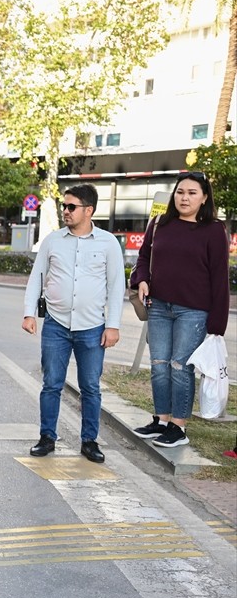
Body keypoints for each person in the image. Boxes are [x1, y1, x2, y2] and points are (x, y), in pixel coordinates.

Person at [22, 183, 125, 464]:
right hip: (55, 325)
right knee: (51, 384)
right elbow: (36, 279)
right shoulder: (53, 241)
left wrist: (113, 325)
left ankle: (89, 441)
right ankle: (47, 437)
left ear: (88, 210)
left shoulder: (108, 243)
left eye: (71, 207)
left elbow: (116, 287)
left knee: (90, 386)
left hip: (93, 327)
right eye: (63, 206)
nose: (65, 211)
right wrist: (29, 313)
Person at [129, 171, 230, 448]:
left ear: (204, 197)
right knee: (159, 365)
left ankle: (179, 427)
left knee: (179, 367)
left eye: (192, 193)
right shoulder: (160, 223)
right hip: (159, 306)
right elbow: (144, 257)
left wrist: (217, 326)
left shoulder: (214, 230)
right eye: (180, 191)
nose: (184, 197)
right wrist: (142, 280)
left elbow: (220, 278)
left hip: (194, 311)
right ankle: (161, 420)